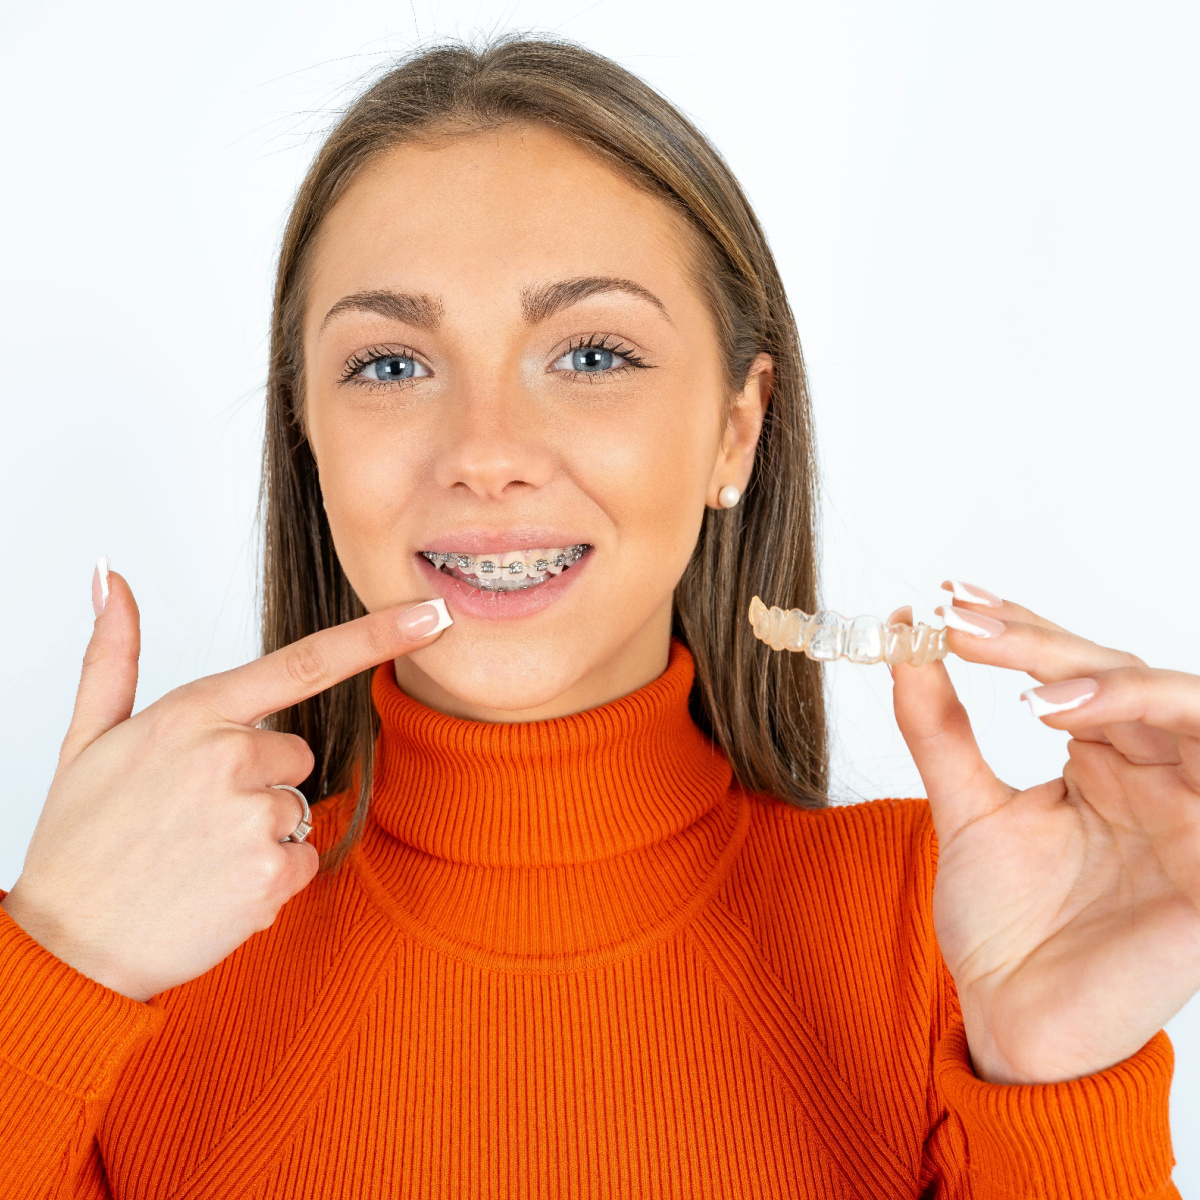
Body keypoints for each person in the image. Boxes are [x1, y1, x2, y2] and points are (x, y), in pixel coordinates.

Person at [0, 36, 1192, 1199]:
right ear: (306, 432)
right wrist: (48, 973)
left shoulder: (950, 934)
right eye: (390, 366)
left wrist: (1054, 1081)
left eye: (591, 352)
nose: (486, 454)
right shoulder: (119, 957)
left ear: (738, 427)